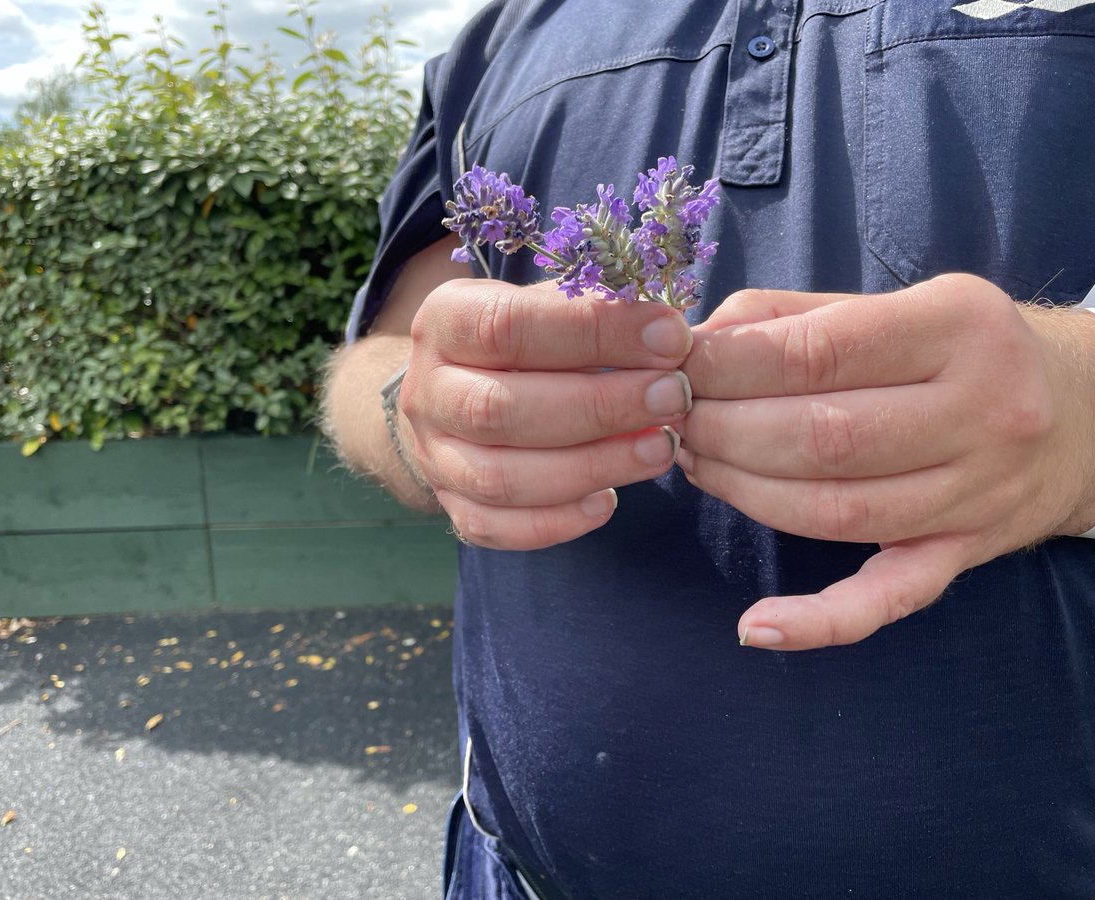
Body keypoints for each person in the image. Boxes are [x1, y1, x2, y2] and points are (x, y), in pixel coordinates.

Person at [321, 1, 1095, 896]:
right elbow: (372, 363)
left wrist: (1077, 414)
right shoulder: (509, 27)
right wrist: (423, 420)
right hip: (514, 870)